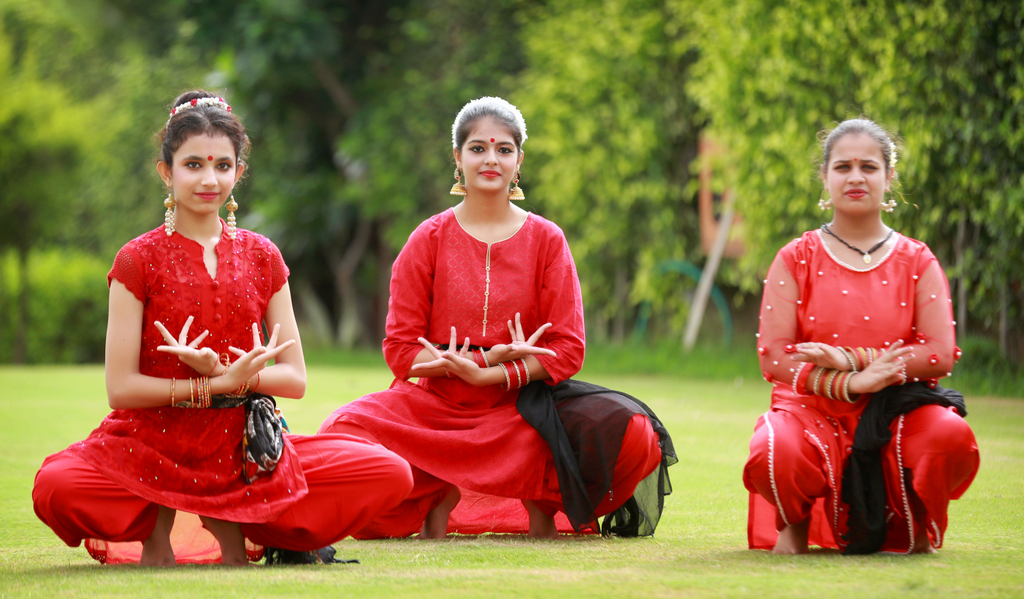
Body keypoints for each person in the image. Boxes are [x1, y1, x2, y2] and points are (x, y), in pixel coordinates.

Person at [32, 90, 413, 565]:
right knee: (56, 486)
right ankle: (162, 525)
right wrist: (207, 386)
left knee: (389, 471)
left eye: (223, 165)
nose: (210, 179)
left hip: (243, 444)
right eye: (193, 165)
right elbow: (120, 387)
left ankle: (248, 517)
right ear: (166, 172)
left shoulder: (263, 256)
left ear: (239, 171)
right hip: (150, 441)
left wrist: (237, 379)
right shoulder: (137, 260)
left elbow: (294, 377)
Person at [319, 96, 674, 539]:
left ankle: (541, 503)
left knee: (635, 432)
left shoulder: (547, 239)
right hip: (437, 410)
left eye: (504, 149)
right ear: (458, 157)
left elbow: (569, 349)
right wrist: (463, 366)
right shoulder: (427, 239)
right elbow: (399, 352)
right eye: (478, 148)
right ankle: (434, 492)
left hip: (521, 409)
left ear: (519, 160)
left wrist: (495, 373)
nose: (491, 159)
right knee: (341, 430)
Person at [743, 118, 980, 555]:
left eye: (869, 167)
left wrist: (854, 361)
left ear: (890, 178)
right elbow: (774, 358)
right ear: (825, 177)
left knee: (949, 436)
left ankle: (911, 523)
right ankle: (793, 528)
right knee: (772, 449)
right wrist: (848, 384)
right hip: (809, 410)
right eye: (843, 166)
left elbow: (940, 354)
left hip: (895, 409)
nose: (855, 177)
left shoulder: (916, 260)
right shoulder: (796, 257)